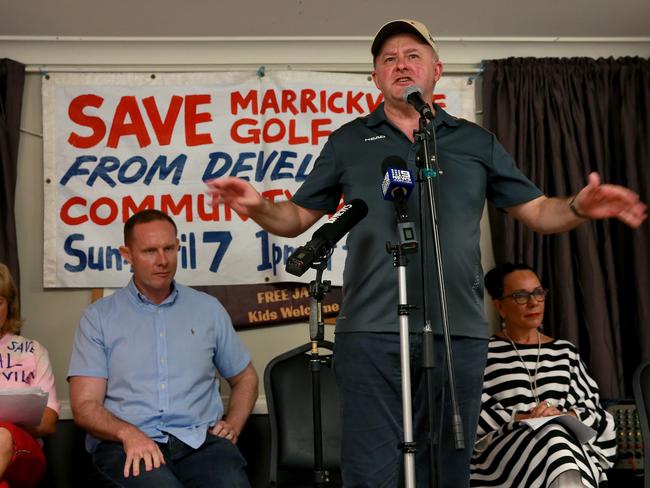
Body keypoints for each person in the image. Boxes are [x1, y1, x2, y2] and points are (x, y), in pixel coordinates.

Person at [205, 19, 646, 488]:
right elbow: (294, 219)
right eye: (388, 59)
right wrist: (256, 207)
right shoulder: (349, 141)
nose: (401, 65)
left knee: (447, 471)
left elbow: (538, 211)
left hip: (457, 332)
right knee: (371, 472)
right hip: (371, 330)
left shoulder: (476, 142)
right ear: (374, 77)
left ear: (437, 70)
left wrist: (579, 206)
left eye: (412, 55)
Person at [68, 209, 258, 487]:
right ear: (127, 255)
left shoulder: (207, 309)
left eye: (169, 248)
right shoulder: (99, 317)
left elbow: (246, 378)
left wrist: (234, 424)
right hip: (126, 445)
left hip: (200, 442)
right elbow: (85, 406)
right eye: (149, 251)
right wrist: (128, 434)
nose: (162, 260)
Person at [470, 263, 617, 487]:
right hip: (507, 456)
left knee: (556, 436)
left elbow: (595, 412)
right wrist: (524, 418)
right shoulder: (482, 354)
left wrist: (563, 414)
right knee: (553, 437)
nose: (534, 302)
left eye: (538, 293)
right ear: (500, 306)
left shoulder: (565, 352)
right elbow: (471, 415)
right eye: (521, 295)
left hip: (566, 446)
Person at [0, 262, 60, 488]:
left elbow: (48, 422)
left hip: (25, 452)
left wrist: (6, 426)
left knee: (2, 435)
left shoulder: (33, 351)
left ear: (10, 306)